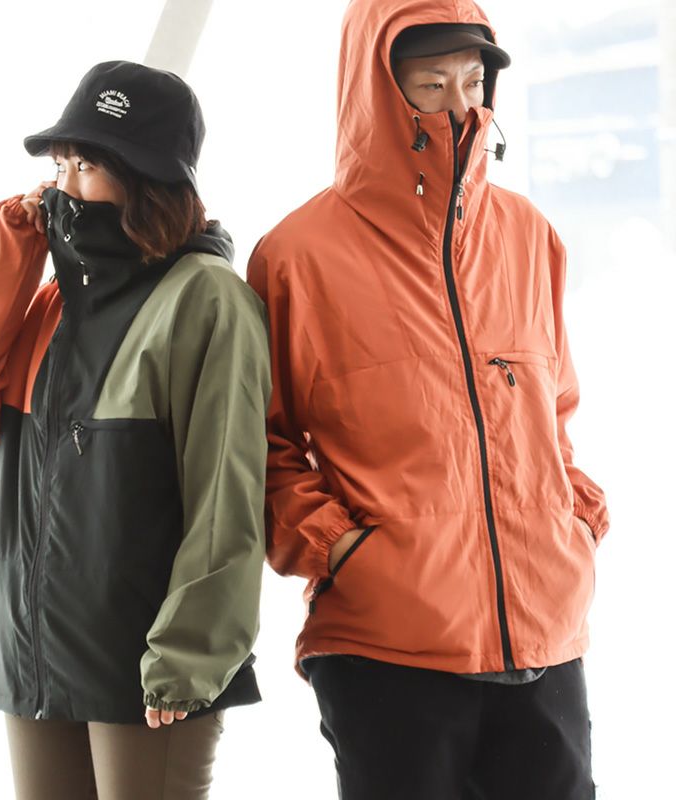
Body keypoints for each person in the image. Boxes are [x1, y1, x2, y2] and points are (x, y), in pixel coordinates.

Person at [247, 1, 609, 798]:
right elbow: (262, 450)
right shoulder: (297, 256)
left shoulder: (529, 234)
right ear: (377, 93)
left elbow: (552, 414)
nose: (458, 106)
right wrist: (344, 553)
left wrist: (575, 520)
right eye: (430, 84)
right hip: (389, 651)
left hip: (546, 637)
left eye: (473, 82)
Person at [0, 60, 271, 800]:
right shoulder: (57, 301)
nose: (66, 186)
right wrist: (12, 241)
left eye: (89, 165)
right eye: (62, 164)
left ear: (150, 180)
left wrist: (187, 656)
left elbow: (227, 498)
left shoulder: (205, 298)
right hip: (34, 658)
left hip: (146, 671)